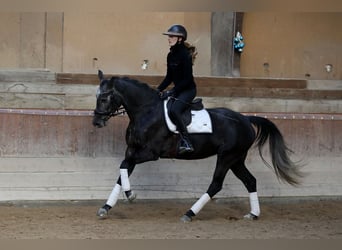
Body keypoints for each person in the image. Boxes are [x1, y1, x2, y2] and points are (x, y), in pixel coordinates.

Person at [157, 24, 197, 154]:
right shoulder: (170, 55)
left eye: (172, 36)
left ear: (180, 39)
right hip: (178, 90)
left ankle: (187, 141)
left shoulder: (185, 55)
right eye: (169, 36)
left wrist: (171, 92)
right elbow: (169, 77)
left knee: (174, 110)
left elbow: (187, 80)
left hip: (188, 90)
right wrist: (158, 90)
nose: (169, 38)